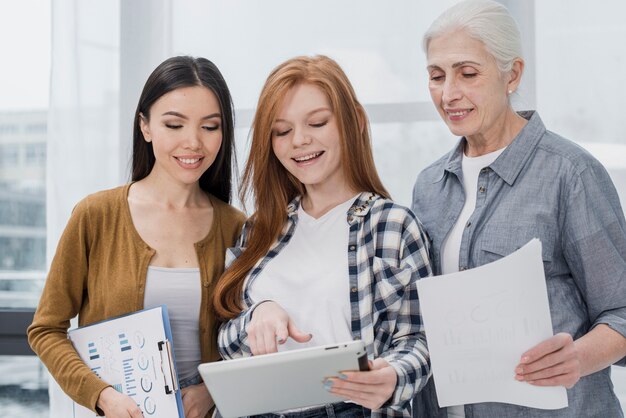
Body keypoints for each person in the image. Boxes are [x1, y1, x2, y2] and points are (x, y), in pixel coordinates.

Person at [411, 1, 626, 417]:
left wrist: (577, 357)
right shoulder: (428, 186)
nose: (449, 93)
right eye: (437, 76)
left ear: (513, 74)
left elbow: (622, 311)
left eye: (468, 73)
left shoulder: (571, 174)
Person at [212, 55, 432, 418]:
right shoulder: (259, 230)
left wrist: (392, 376)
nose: (300, 140)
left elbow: (419, 340)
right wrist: (256, 317)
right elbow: (225, 344)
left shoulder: (392, 226)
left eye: (316, 122)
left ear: (355, 121)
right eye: (281, 131)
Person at [28, 56, 246, 418]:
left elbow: (249, 341)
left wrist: (211, 391)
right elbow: (46, 329)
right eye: (174, 124)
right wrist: (102, 396)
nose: (193, 142)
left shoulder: (236, 227)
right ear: (145, 126)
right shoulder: (95, 216)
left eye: (210, 126)